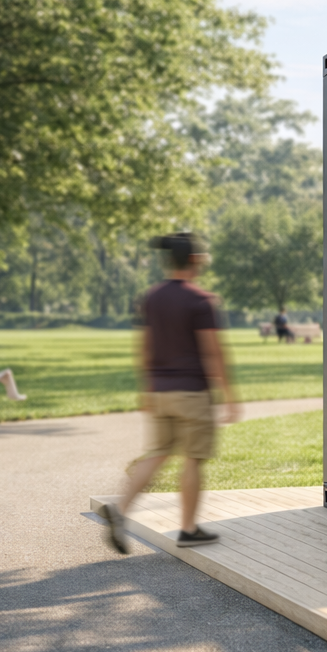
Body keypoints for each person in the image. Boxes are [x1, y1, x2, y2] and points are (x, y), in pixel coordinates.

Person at [96, 232, 240, 553]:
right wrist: (230, 395)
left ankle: (120, 509)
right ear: (194, 260)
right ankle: (188, 529)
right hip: (192, 394)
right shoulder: (201, 301)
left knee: (158, 453)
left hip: (160, 392)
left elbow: (144, 347)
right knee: (192, 459)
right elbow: (213, 353)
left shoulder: (151, 297)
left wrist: (147, 388)